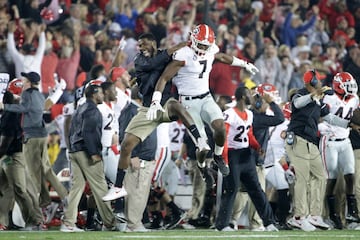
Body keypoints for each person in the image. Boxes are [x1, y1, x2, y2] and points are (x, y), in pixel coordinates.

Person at [102, 32, 208, 201]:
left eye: (143, 44)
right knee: (127, 144)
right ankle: (118, 187)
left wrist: (193, 45)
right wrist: (178, 46)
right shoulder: (140, 60)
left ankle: (200, 141)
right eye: (138, 45)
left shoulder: (166, 55)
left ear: (152, 43)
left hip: (165, 103)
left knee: (178, 106)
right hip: (147, 108)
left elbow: (183, 59)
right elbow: (154, 63)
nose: (140, 48)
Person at [147, 24, 259, 179]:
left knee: (220, 128)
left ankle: (218, 156)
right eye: (200, 45)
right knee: (203, 146)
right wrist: (155, 100)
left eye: (206, 46)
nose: (203, 49)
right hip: (188, 103)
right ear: (192, 40)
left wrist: (244, 63)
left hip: (206, 97)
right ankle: (201, 166)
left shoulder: (210, 50)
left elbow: (222, 57)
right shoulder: (183, 54)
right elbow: (164, 78)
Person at [286, 70, 360, 231]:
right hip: (298, 138)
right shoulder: (301, 94)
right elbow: (297, 104)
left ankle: (315, 215)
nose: (320, 82)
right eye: (317, 80)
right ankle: (298, 217)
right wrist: (314, 95)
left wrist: (350, 125)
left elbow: (330, 118)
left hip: (311, 141)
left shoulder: (320, 99)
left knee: (320, 176)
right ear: (311, 82)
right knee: (303, 178)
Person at [0, 71, 68, 209]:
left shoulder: (18, 107)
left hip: (21, 147)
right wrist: (58, 92)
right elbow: (45, 105)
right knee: (40, 173)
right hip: (30, 142)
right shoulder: (33, 97)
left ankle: (43, 208)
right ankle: (52, 201)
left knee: (26, 183)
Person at [215, 86, 278, 232]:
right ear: (243, 96)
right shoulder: (229, 114)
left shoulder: (249, 114)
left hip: (246, 155)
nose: (252, 96)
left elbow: (248, 134)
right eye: (249, 93)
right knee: (232, 189)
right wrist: (224, 158)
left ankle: (269, 222)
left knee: (256, 189)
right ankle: (222, 224)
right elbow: (223, 137)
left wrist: (257, 147)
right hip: (232, 155)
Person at [61, 84, 116, 232]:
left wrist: (72, 149)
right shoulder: (93, 110)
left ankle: (68, 223)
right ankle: (110, 223)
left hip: (74, 151)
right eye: (100, 93)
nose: (103, 96)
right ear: (93, 94)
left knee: (76, 188)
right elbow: (88, 132)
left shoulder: (80, 109)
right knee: (100, 187)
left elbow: (71, 130)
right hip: (86, 152)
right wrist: (94, 153)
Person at [0, 79, 44, 230]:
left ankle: (34, 220)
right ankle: (5, 221)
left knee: (20, 189)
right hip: (13, 153)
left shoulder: (13, 111)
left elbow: (7, 139)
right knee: (8, 189)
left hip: (13, 154)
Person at [318, 72, 360, 229]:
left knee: (350, 175)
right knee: (331, 178)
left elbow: (355, 114)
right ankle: (331, 214)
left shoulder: (354, 99)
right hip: (330, 141)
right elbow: (324, 117)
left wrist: (355, 123)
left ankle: (352, 211)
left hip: (345, 141)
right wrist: (348, 125)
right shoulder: (330, 97)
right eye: (347, 85)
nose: (352, 88)